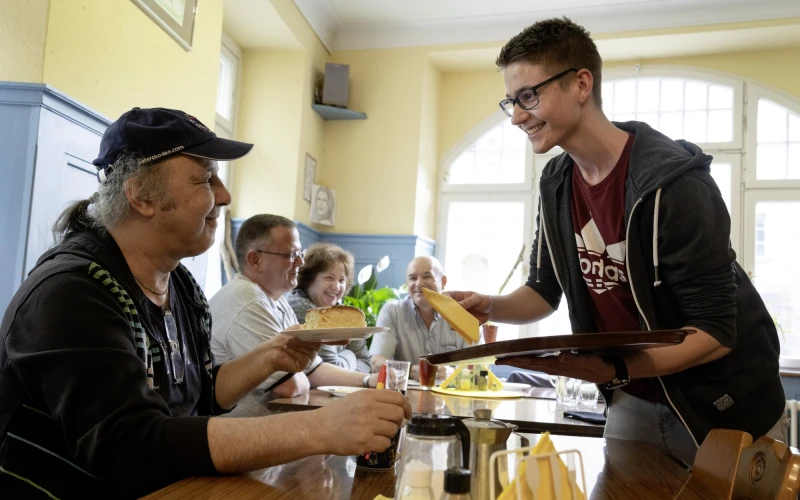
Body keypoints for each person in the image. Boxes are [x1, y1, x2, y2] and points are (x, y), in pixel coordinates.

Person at [0, 108, 410, 499]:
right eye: (205, 179)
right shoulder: (71, 292)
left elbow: (199, 397)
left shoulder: (179, 283)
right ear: (141, 195)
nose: (225, 195)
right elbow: (130, 447)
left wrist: (271, 356)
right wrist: (317, 429)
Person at [448, 18, 786, 467]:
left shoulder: (675, 185)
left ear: (581, 84)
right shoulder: (556, 182)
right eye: (511, 101)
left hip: (723, 403)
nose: (516, 116)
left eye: (528, 96)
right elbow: (544, 289)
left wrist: (615, 369)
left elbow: (715, 334)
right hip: (631, 398)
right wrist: (489, 306)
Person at [210, 214, 381, 416]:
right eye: (290, 255)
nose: (300, 262)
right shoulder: (247, 302)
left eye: (301, 253)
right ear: (255, 260)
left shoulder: (277, 300)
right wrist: (302, 376)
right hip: (241, 432)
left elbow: (313, 369)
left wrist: (369, 380)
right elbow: (291, 386)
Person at [369, 256, 468, 379]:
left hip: (452, 390)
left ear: (443, 282)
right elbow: (376, 363)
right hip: (404, 390)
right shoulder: (392, 312)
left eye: (427, 276)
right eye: (412, 278)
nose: (419, 283)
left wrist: (453, 373)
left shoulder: (463, 315)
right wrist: (409, 371)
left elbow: (480, 366)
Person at [287, 242, 371, 373]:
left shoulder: (342, 312)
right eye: (329, 278)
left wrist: (345, 364)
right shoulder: (302, 309)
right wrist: (350, 354)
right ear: (309, 279)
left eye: (341, 280)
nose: (336, 286)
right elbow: (331, 367)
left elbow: (366, 361)